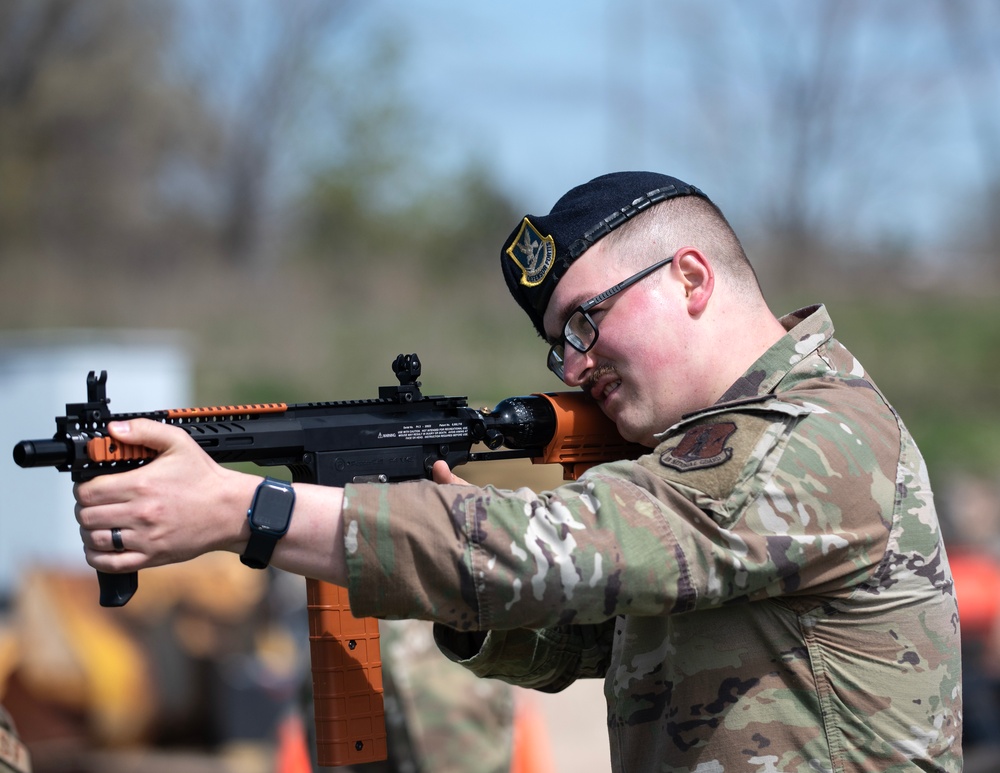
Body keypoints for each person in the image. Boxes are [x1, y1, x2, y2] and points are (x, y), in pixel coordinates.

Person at [74, 171, 963, 772]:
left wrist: (248, 513)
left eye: (586, 323)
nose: (575, 367)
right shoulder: (712, 459)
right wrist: (448, 562)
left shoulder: (808, 434)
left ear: (691, 277)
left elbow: (558, 549)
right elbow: (583, 634)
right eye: (558, 348)